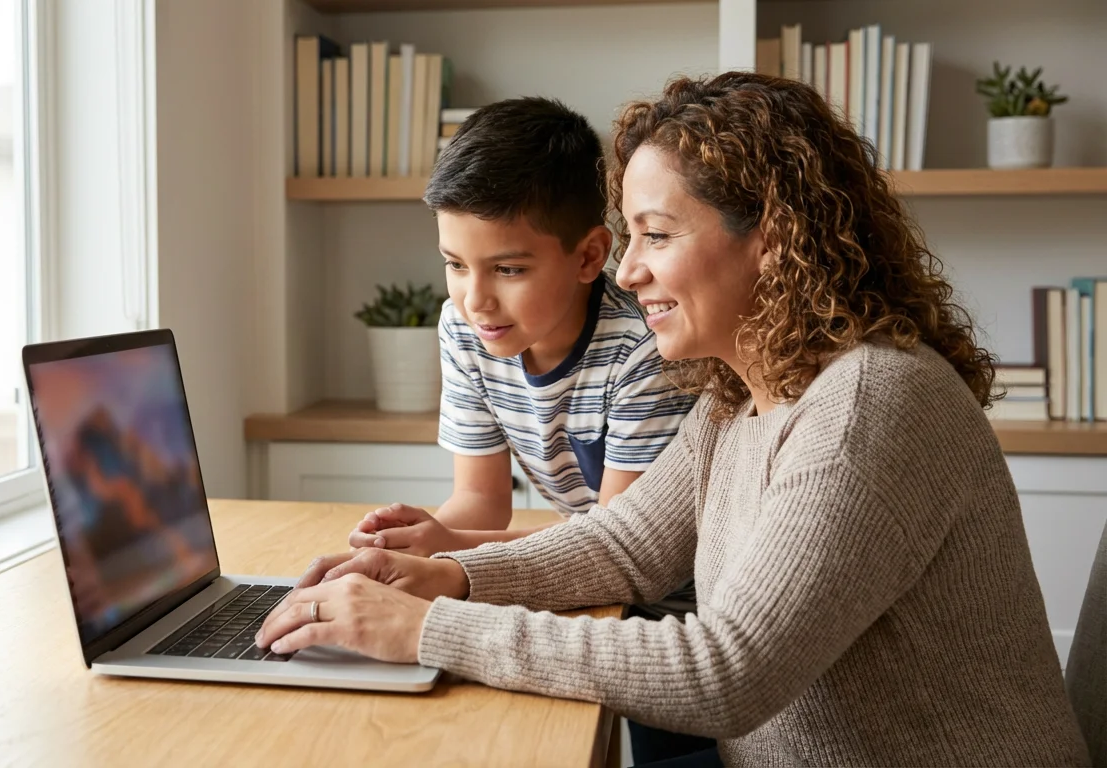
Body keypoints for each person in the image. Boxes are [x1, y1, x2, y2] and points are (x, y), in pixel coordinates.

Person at [257, 72, 1093, 766]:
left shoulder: (869, 404)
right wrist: (454, 576)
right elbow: (624, 546)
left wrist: (429, 630)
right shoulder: (743, 393)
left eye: (655, 235)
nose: (627, 269)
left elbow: (726, 673)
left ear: (772, 235)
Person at [346, 97, 695, 564]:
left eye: (508, 269)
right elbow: (482, 501)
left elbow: (620, 543)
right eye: (455, 264)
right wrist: (407, 550)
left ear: (590, 257)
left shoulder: (643, 346)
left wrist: (451, 549)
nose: (475, 300)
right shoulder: (466, 328)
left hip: (658, 593)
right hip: (580, 568)